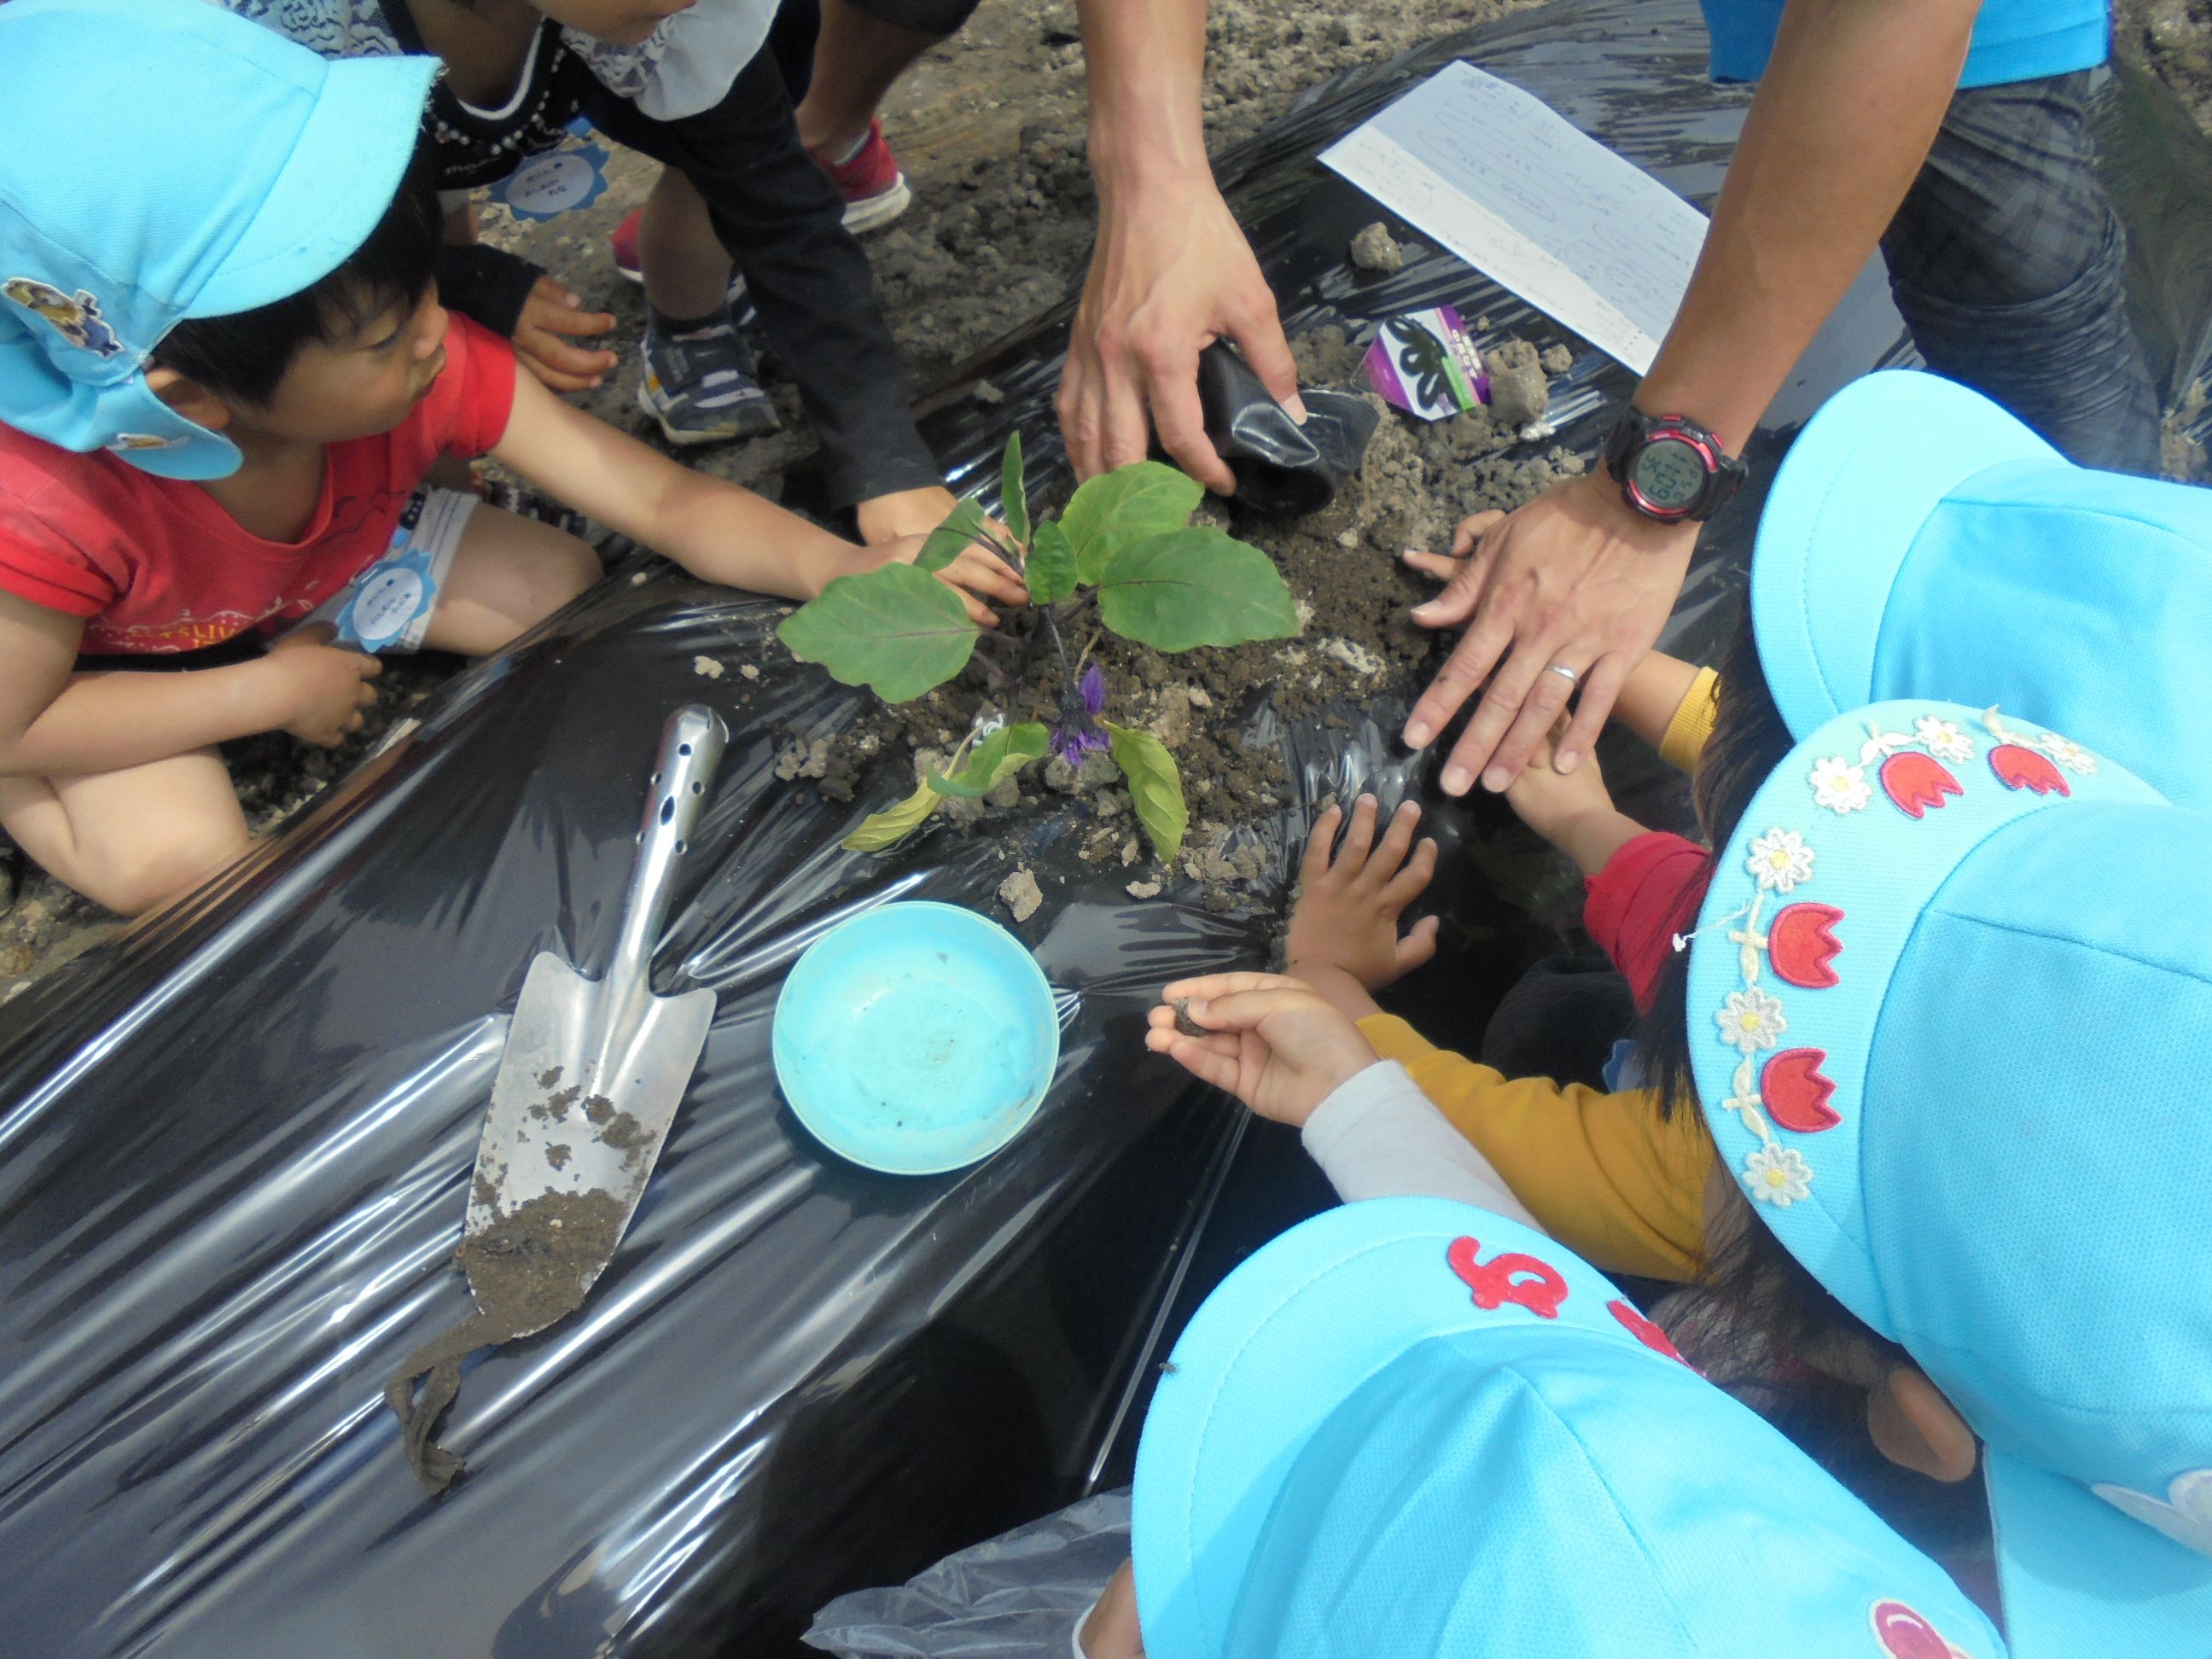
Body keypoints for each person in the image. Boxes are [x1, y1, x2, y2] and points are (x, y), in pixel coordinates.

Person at [0, 0, 1022, 917]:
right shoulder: (46, 505)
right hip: (100, 664)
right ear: (193, 399)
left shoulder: (417, 362)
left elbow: (660, 501)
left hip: (291, 576)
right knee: (184, 863)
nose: (438, 335)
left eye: (430, 292)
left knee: (557, 581)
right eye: (384, 335)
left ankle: (289, 608)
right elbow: (25, 716)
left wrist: (839, 570)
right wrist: (265, 695)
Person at [1403, 0, 2160, 800]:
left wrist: (1637, 508)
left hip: (1962, 36)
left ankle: (2104, 645)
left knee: (2039, 350)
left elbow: (1897, 16)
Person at [226, 0, 960, 538]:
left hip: (528, 70)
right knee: (385, 295)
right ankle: (402, 512)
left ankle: (688, 329)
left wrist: (884, 462)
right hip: (326, 203)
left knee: (720, 157)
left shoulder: (661, 19)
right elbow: (269, 272)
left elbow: (776, 198)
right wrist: (472, 281)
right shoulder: (292, 57)